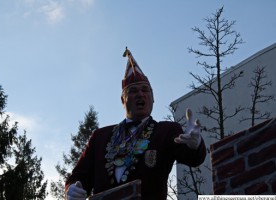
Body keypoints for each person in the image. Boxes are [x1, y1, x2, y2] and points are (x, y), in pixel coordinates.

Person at [65, 48, 206, 200]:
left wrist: (195, 145)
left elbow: (193, 158)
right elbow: (78, 178)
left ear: (153, 98)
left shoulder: (166, 131)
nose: (140, 94)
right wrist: (71, 191)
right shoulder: (100, 137)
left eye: (145, 90)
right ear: (122, 100)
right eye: (133, 91)